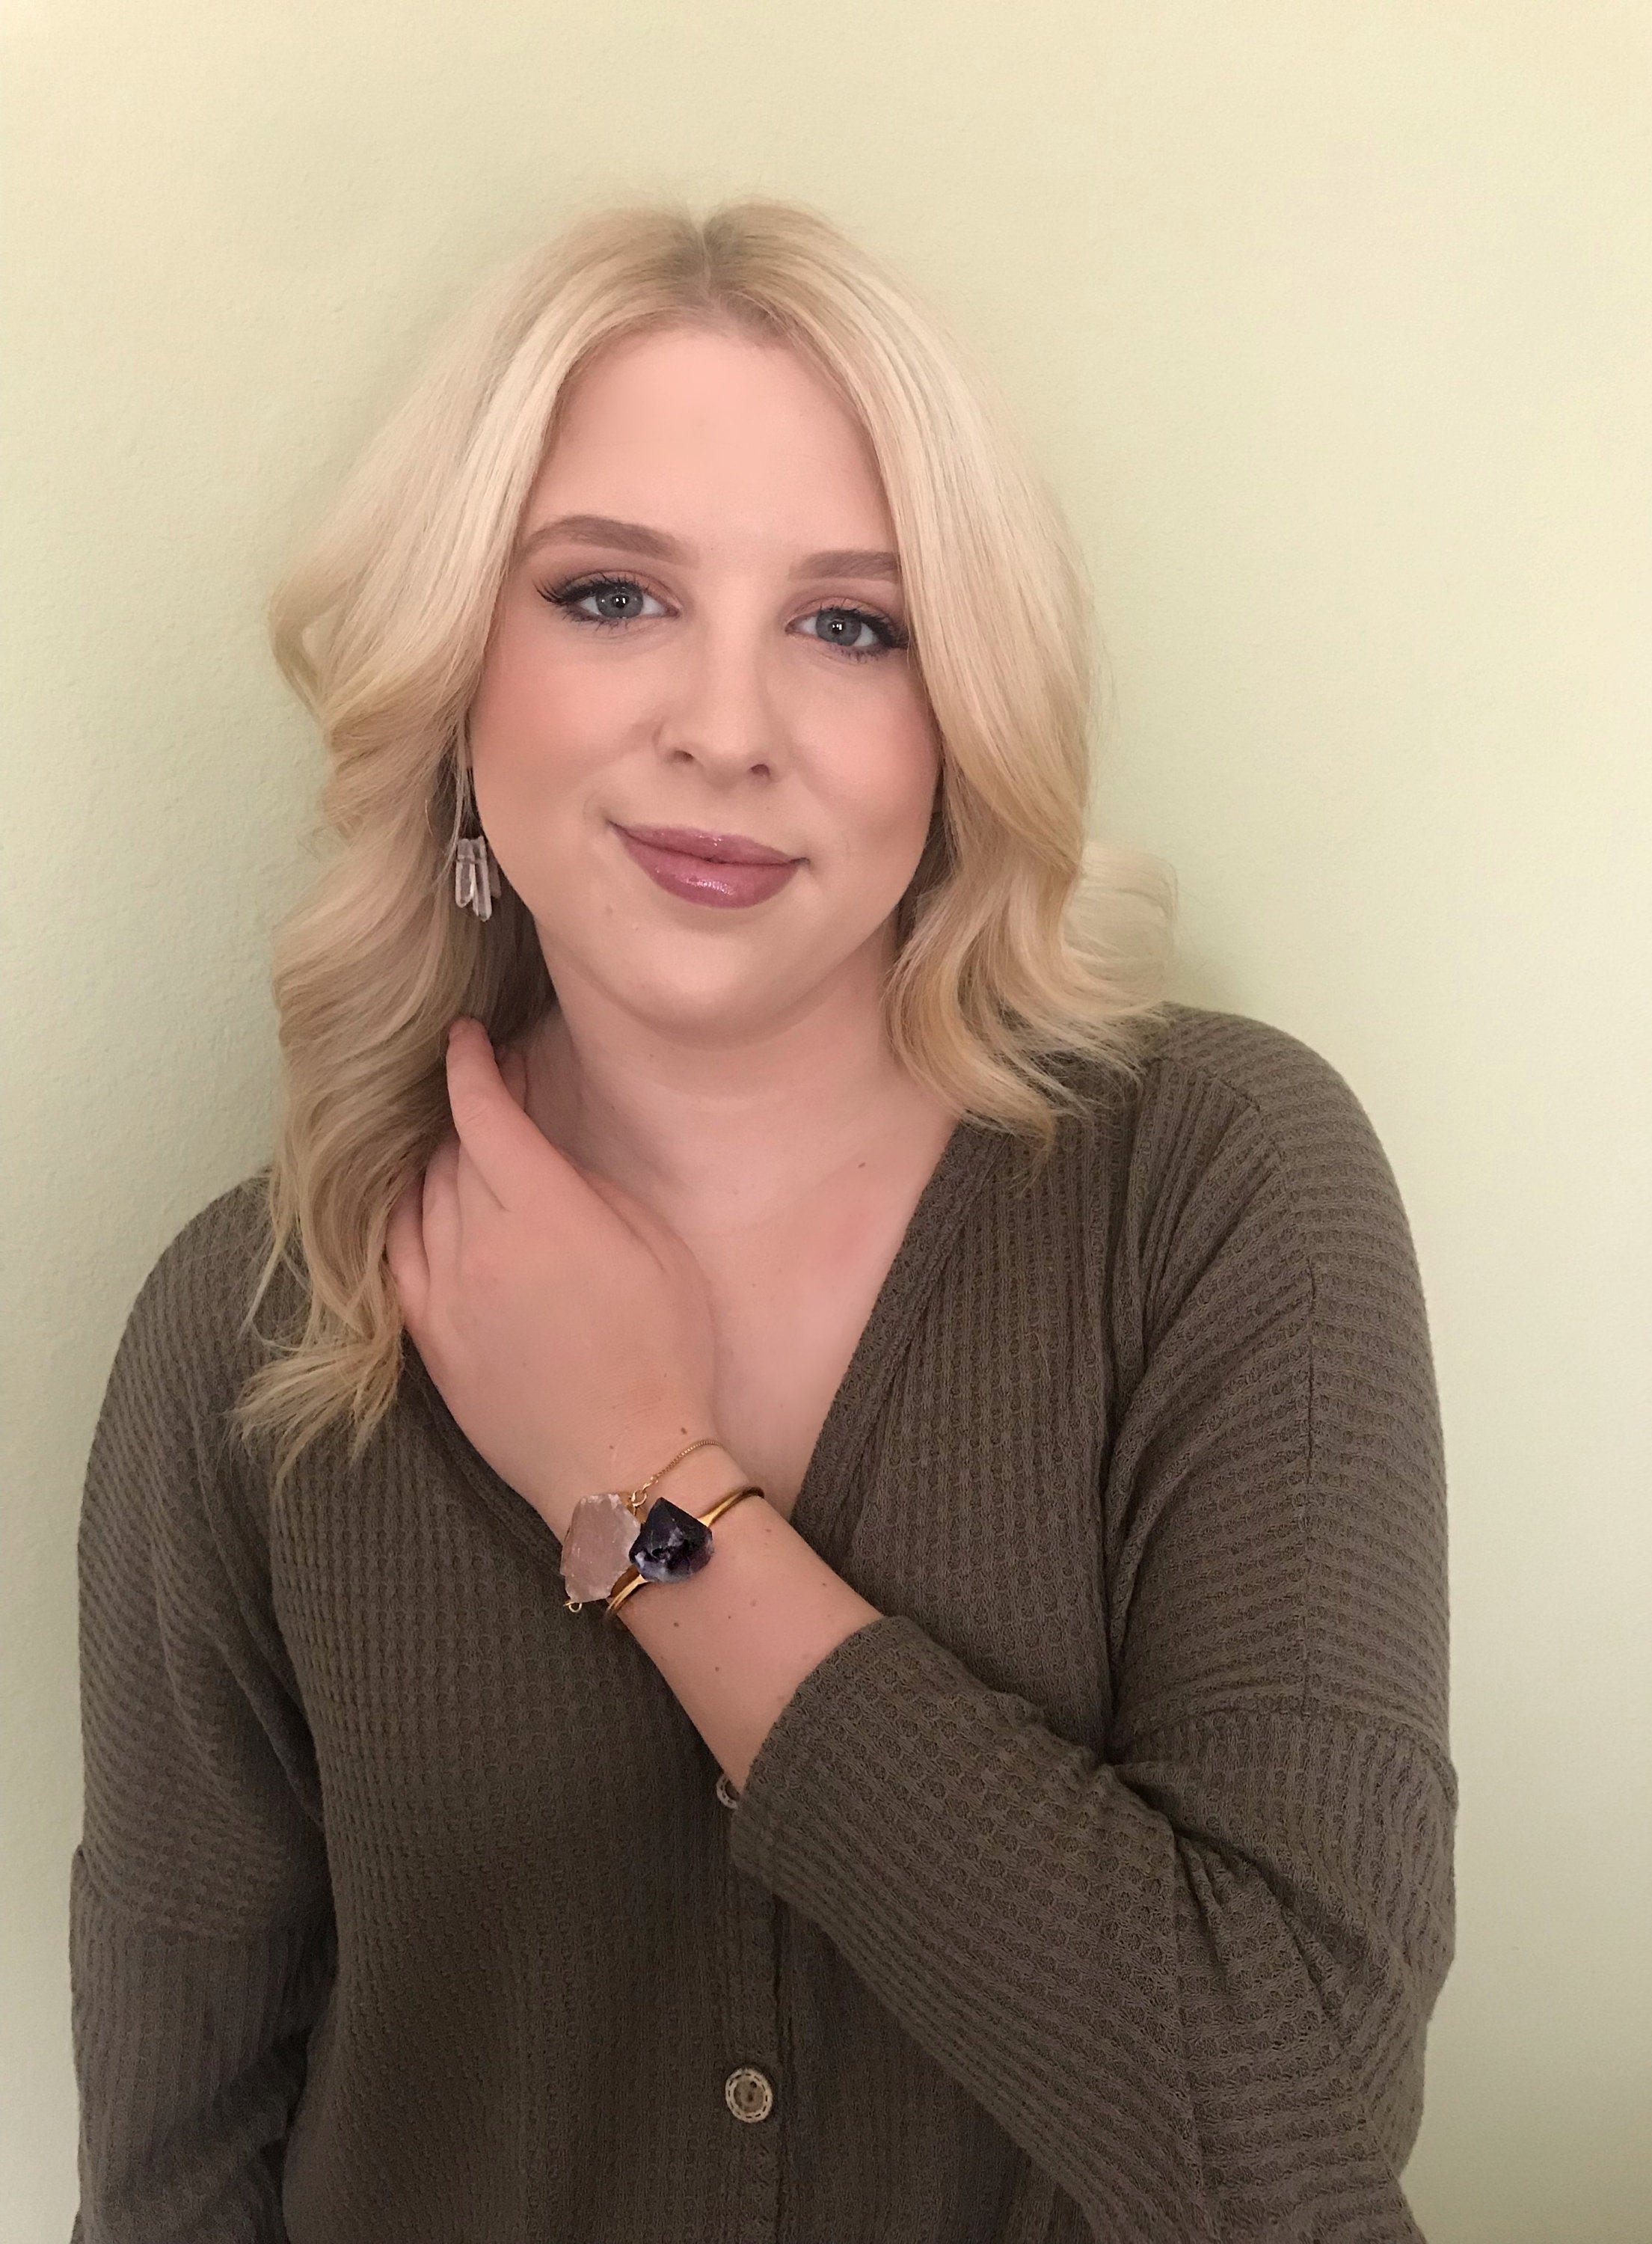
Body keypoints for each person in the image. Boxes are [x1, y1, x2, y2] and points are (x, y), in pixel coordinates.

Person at [70, 197, 1456, 2244]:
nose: (725, 726)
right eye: (610, 595)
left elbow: (1288, 2147)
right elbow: (183, 2175)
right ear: (458, 673)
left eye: (850, 622)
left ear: (956, 717)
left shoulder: (1216, 1187)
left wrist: (649, 1495)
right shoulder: (248, 1332)